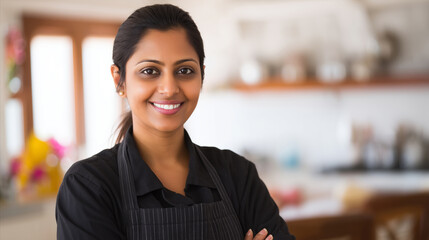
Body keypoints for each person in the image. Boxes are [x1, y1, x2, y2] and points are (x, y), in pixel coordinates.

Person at [56, 4, 295, 240]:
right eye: (150, 71)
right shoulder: (88, 187)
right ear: (119, 80)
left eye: (184, 71)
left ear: (202, 76)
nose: (169, 89)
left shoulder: (237, 175)